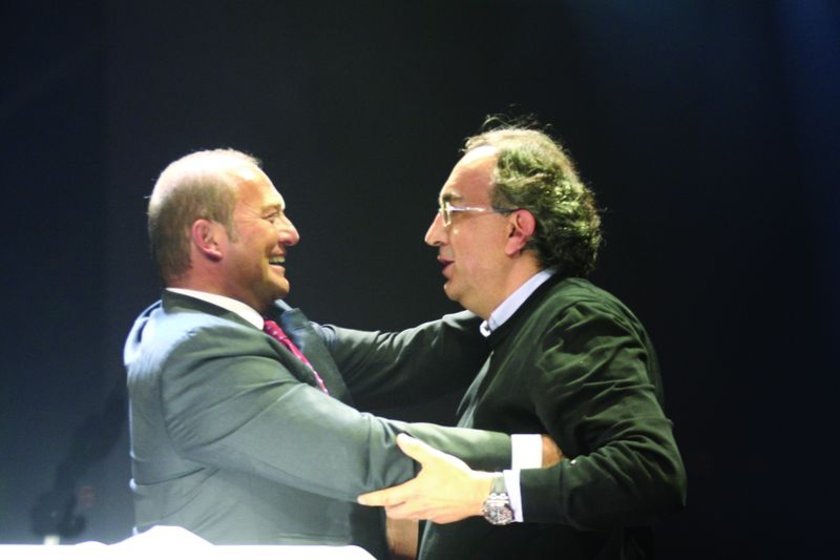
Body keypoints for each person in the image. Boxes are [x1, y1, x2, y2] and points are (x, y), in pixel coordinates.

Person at [124, 148, 559, 559]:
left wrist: (522, 294)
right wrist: (539, 456)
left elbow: (406, 359)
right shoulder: (196, 354)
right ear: (209, 239)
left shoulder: (258, 326)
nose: (290, 233)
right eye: (271, 216)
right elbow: (366, 451)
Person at [358, 125, 687, 559]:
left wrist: (485, 494)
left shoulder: (573, 318)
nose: (433, 233)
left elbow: (647, 472)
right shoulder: (513, 328)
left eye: (452, 210)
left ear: (517, 230)